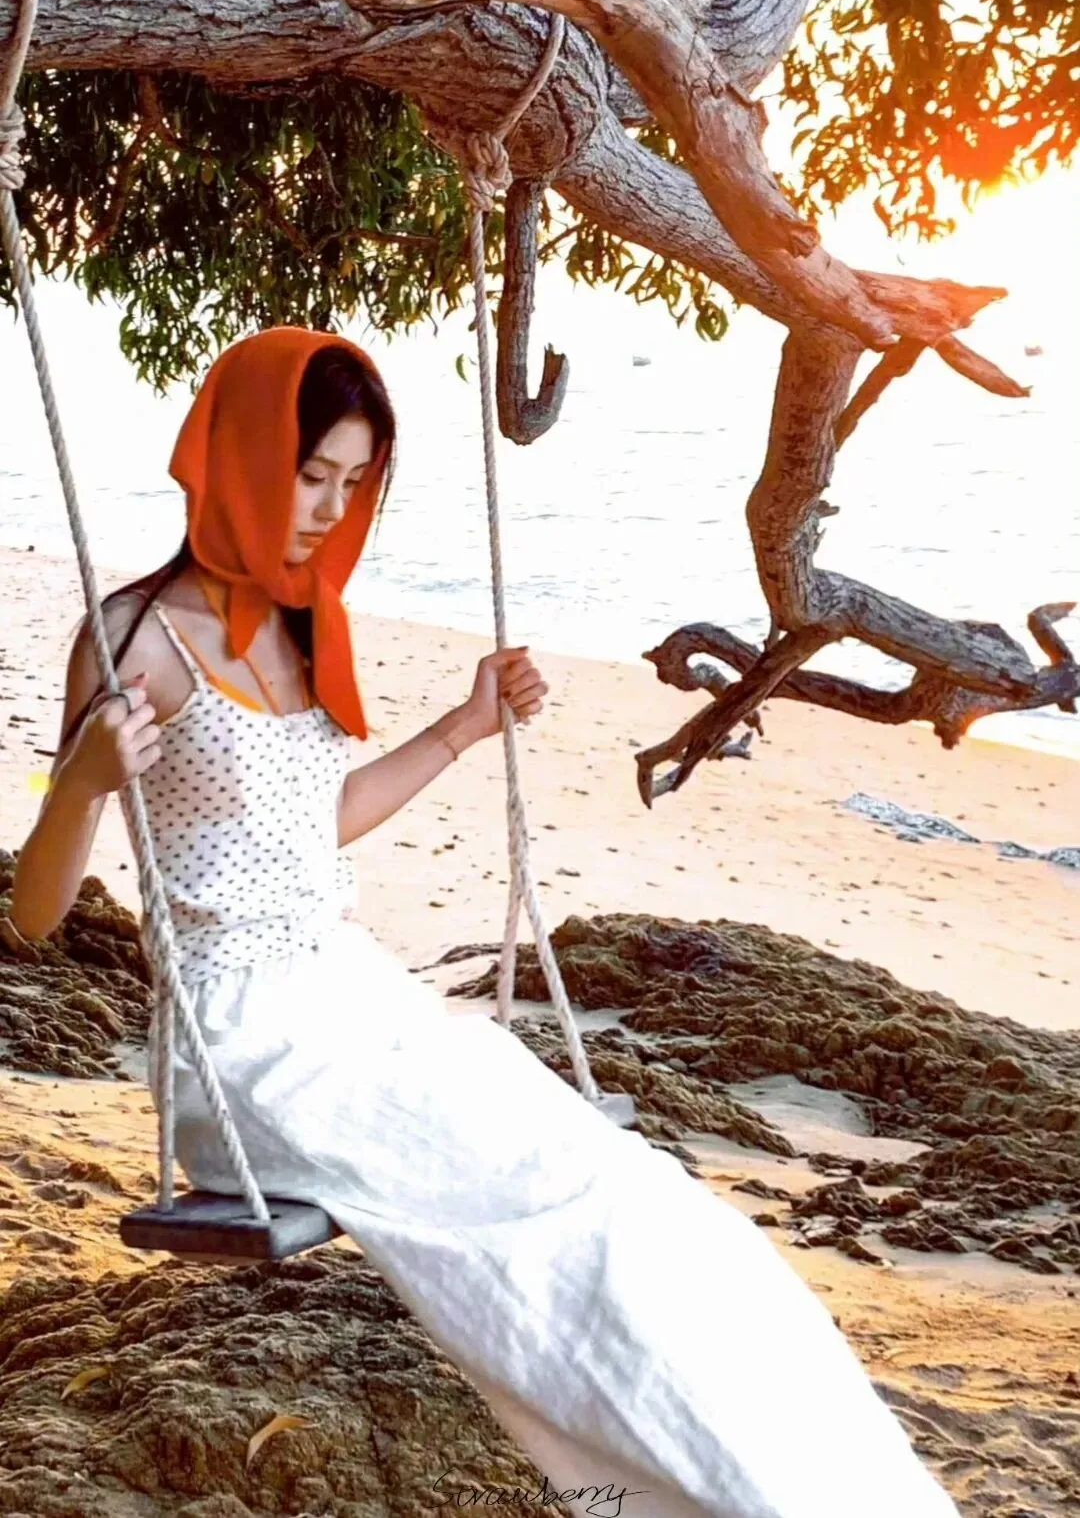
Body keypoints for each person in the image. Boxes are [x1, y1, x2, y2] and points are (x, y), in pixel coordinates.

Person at [11, 327, 958, 1518]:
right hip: (244, 1041)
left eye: (355, 481)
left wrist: (462, 728)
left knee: (638, 1196)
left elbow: (306, 827)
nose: (331, 510)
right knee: (555, 1231)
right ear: (241, 453)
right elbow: (35, 912)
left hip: (354, 994)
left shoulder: (304, 619)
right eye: (311, 474)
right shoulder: (132, 638)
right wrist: (83, 783)